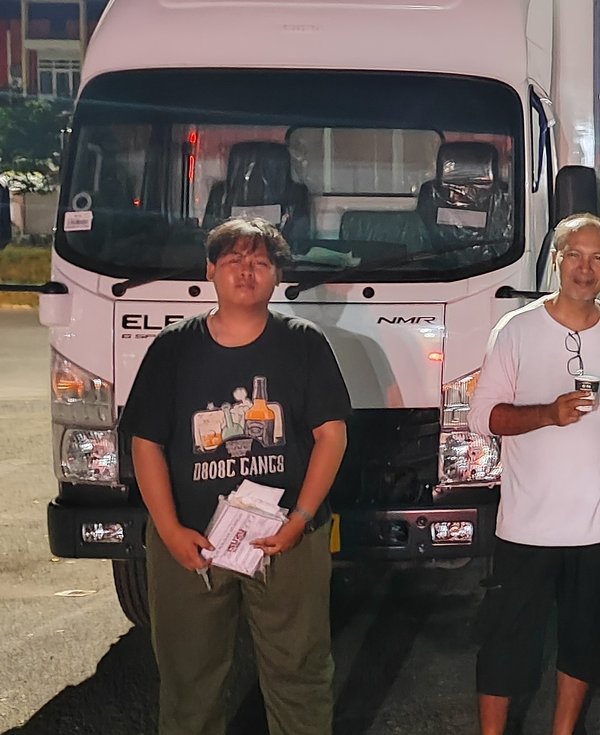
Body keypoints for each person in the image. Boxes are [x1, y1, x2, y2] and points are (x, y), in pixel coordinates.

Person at [120, 217, 351, 735]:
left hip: (286, 539)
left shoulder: (305, 344)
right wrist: (171, 531)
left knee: (301, 673)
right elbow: (146, 444)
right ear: (211, 271)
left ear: (276, 277)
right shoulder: (173, 349)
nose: (247, 271)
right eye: (234, 261)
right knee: (188, 682)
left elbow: (330, 436)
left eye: (261, 262)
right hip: (191, 541)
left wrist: (302, 518)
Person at [469, 213, 600, 735]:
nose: (586, 268)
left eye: (599, 257)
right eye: (575, 255)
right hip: (526, 527)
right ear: (556, 260)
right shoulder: (516, 329)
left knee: (584, 641)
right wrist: (547, 414)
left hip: (597, 528)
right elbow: (483, 417)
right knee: (506, 641)